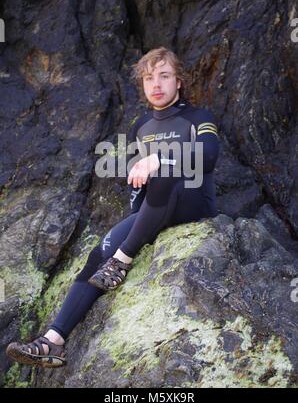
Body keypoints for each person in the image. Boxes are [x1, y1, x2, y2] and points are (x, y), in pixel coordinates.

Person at [6, 47, 220, 368]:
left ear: (179, 81)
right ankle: (53, 340)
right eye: (149, 78)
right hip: (155, 207)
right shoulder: (140, 126)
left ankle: (122, 262)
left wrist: (161, 158)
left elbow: (208, 156)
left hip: (193, 201)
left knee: (162, 176)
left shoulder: (199, 117)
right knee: (101, 249)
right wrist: (135, 221)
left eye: (164, 76)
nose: (156, 84)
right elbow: (137, 184)